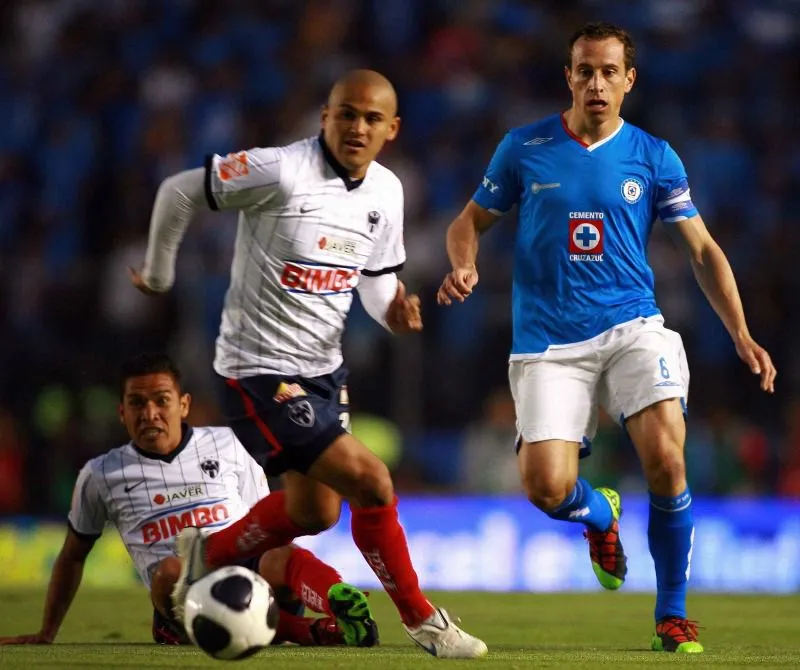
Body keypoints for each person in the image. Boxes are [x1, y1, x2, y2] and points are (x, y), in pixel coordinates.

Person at [436, 22, 776, 654]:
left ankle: (671, 616)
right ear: (568, 76)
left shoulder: (654, 156)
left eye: (609, 71)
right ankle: (599, 514)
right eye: (584, 70)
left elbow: (702, 250)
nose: (596, 82)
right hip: (547, 342)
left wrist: (741, 333)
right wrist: (464, 263)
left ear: (629, 80)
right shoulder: (524, 146)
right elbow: (469, 221)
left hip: (631, 328)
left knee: (668, 456)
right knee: (544, 488)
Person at [130, 69, 487, 659]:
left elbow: (374, 282)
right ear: (325, 116)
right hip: (258, 369)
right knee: (373, 481)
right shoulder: (280, 170)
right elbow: (179, 190)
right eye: (346, 113)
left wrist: (393, 312)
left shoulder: (387, 193)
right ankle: (425, 622)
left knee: (313, 510)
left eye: (372, 119)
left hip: (325, 371)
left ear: (391, 129)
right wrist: (161, 273)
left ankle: (205, 556)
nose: (357, 127)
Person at [0, 352, 375, 648]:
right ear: (122, 411)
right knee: (169, 572)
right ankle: (307, 631)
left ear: (183, 404)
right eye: (137, 403)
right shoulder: (100, 474)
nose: (150, 413)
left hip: (246, 566)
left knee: (282, 556)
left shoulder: (230, 444)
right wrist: (47, 631)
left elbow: (266, 523)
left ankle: (339, 604)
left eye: (161, 400)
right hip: (179, 594)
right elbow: (73, 555)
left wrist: (278, 572)